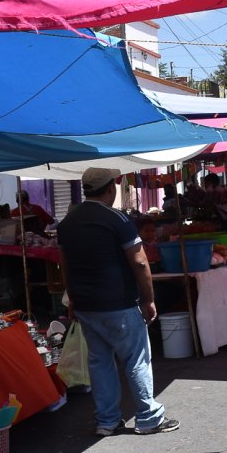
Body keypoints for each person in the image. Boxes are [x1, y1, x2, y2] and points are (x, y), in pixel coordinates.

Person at [57, 167, 179, 437]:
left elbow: (64, 265)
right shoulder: (116, 219)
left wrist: (73, 297)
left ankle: (107, 421)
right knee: (136, 359)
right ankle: (148, 417)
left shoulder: (67, 223)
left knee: (100, 362)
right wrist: (148, 299)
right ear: (110, 188)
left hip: (87, 305)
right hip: (118, 303)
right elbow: (139, 261)